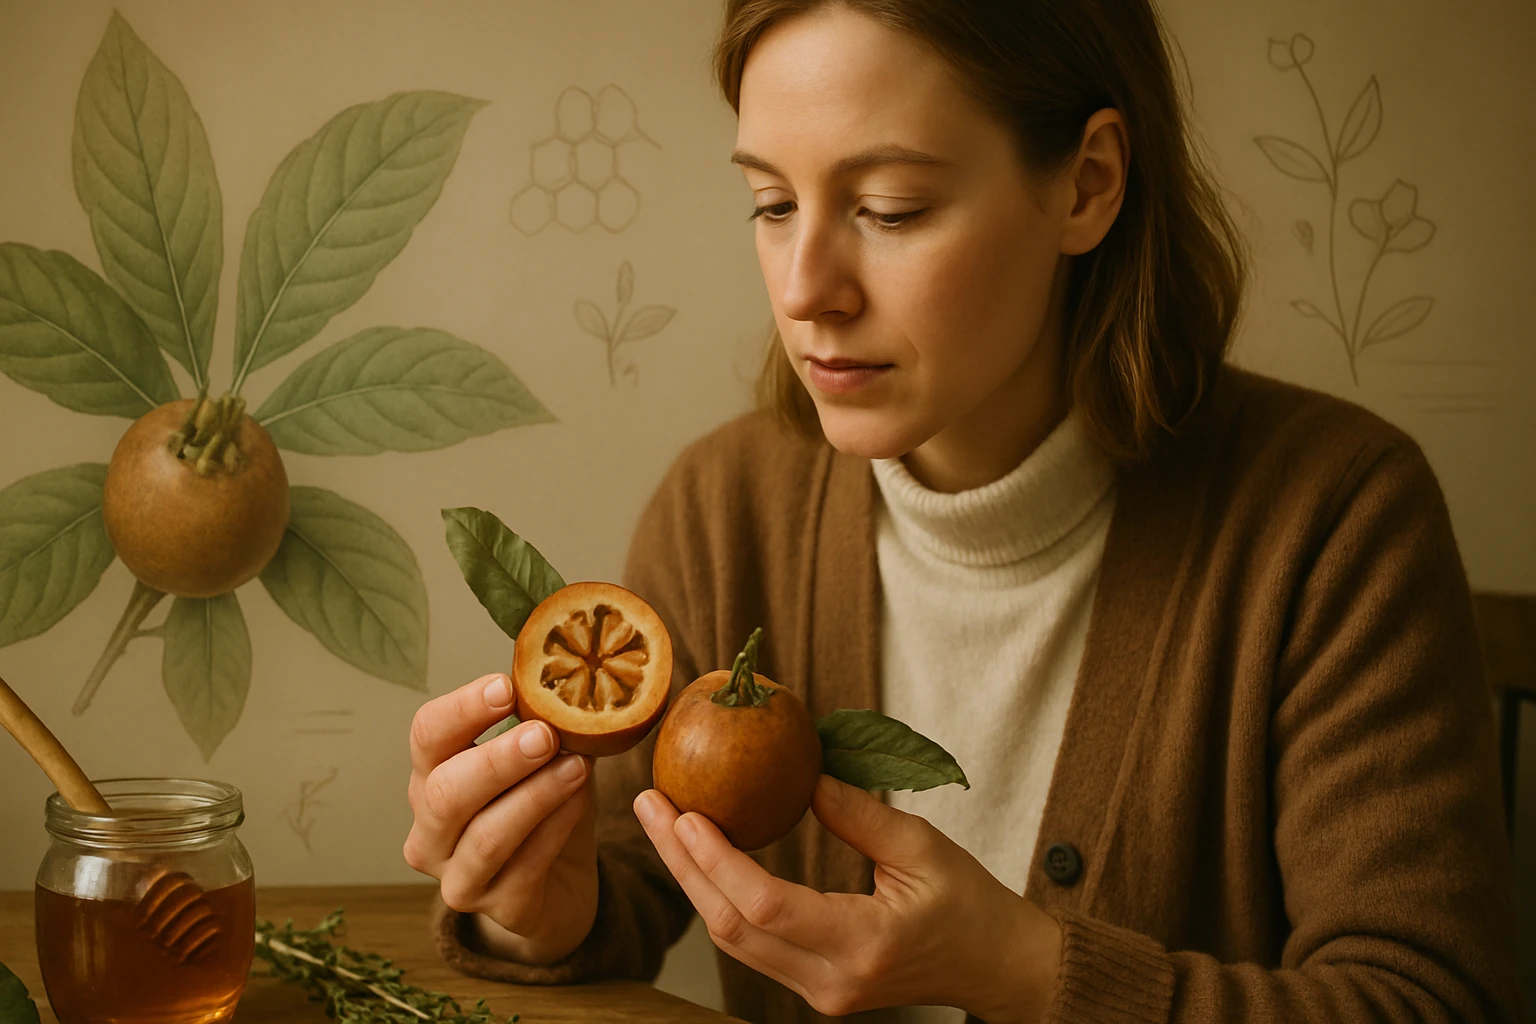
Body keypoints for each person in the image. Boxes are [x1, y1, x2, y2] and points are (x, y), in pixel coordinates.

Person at [402, 1, 1522, 1021]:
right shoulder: (722, 507)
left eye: (890, 209)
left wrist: (1026, 970)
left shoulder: (1335, 521)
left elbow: (1427, 998)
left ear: (1086, 184)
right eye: (772, 202)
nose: (803, 290)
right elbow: (627, 884)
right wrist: (539, 907)